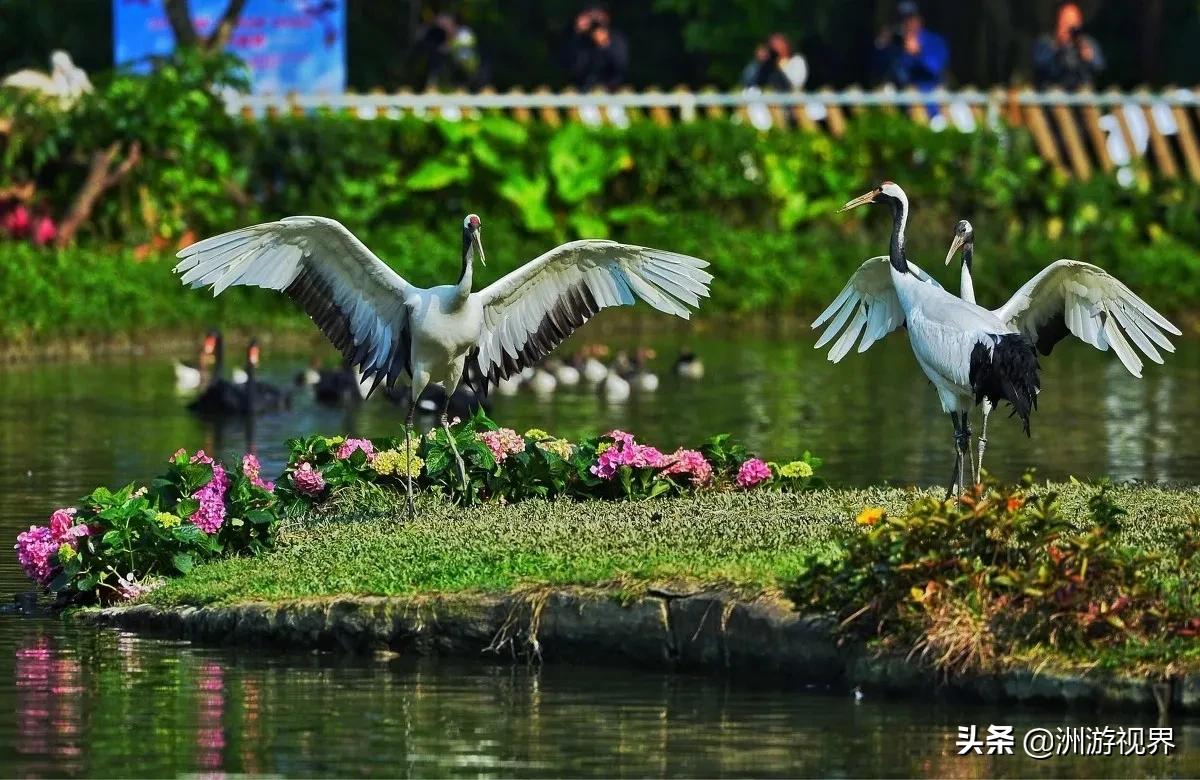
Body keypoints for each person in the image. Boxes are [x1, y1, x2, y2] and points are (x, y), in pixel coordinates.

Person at [872, 1, 948, 92]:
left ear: (919, 19)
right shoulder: (895, 41)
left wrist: (918, 53)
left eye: (910, 19)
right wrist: (881, 46)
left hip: (927, 98)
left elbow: (936, 69)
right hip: (898, 97)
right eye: (902, 20)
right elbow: (876, 70)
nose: (907, 24)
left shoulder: (934, 41)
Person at [1033, 2, 1105, 90]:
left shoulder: (1088, 43)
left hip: (1082, 95)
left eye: (1073, 21)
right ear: (1058, 21)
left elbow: (1100, 68)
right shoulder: (1045, 42)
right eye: (1065, 20)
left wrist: (1090, 58)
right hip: (1053, 94)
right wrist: (1057, 46)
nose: (1069, 26)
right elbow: (1039, 64)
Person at [565, 6, 629, 92]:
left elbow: (621, 65)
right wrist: (578, 32)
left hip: (612, 90)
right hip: (585, 90)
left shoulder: (617, 38)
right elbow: (574, 67)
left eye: (599, 15)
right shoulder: (582, 40)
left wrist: (605, 45)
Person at [420, 13, 485, 91]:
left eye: (445, 25)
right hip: (454, 74)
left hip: (470, 71)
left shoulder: (464, 33)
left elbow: (466, 45)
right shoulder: (442, 37)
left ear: (452, 24)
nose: (444, 28)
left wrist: (449, 46)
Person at [740, 33, 807, 91]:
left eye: (778, 44)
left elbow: (796, 83)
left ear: (786, 44)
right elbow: (749, 82)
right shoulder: (764, 65)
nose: (776, 48)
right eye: (773, 45)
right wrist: (760, 62)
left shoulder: (797, 60)